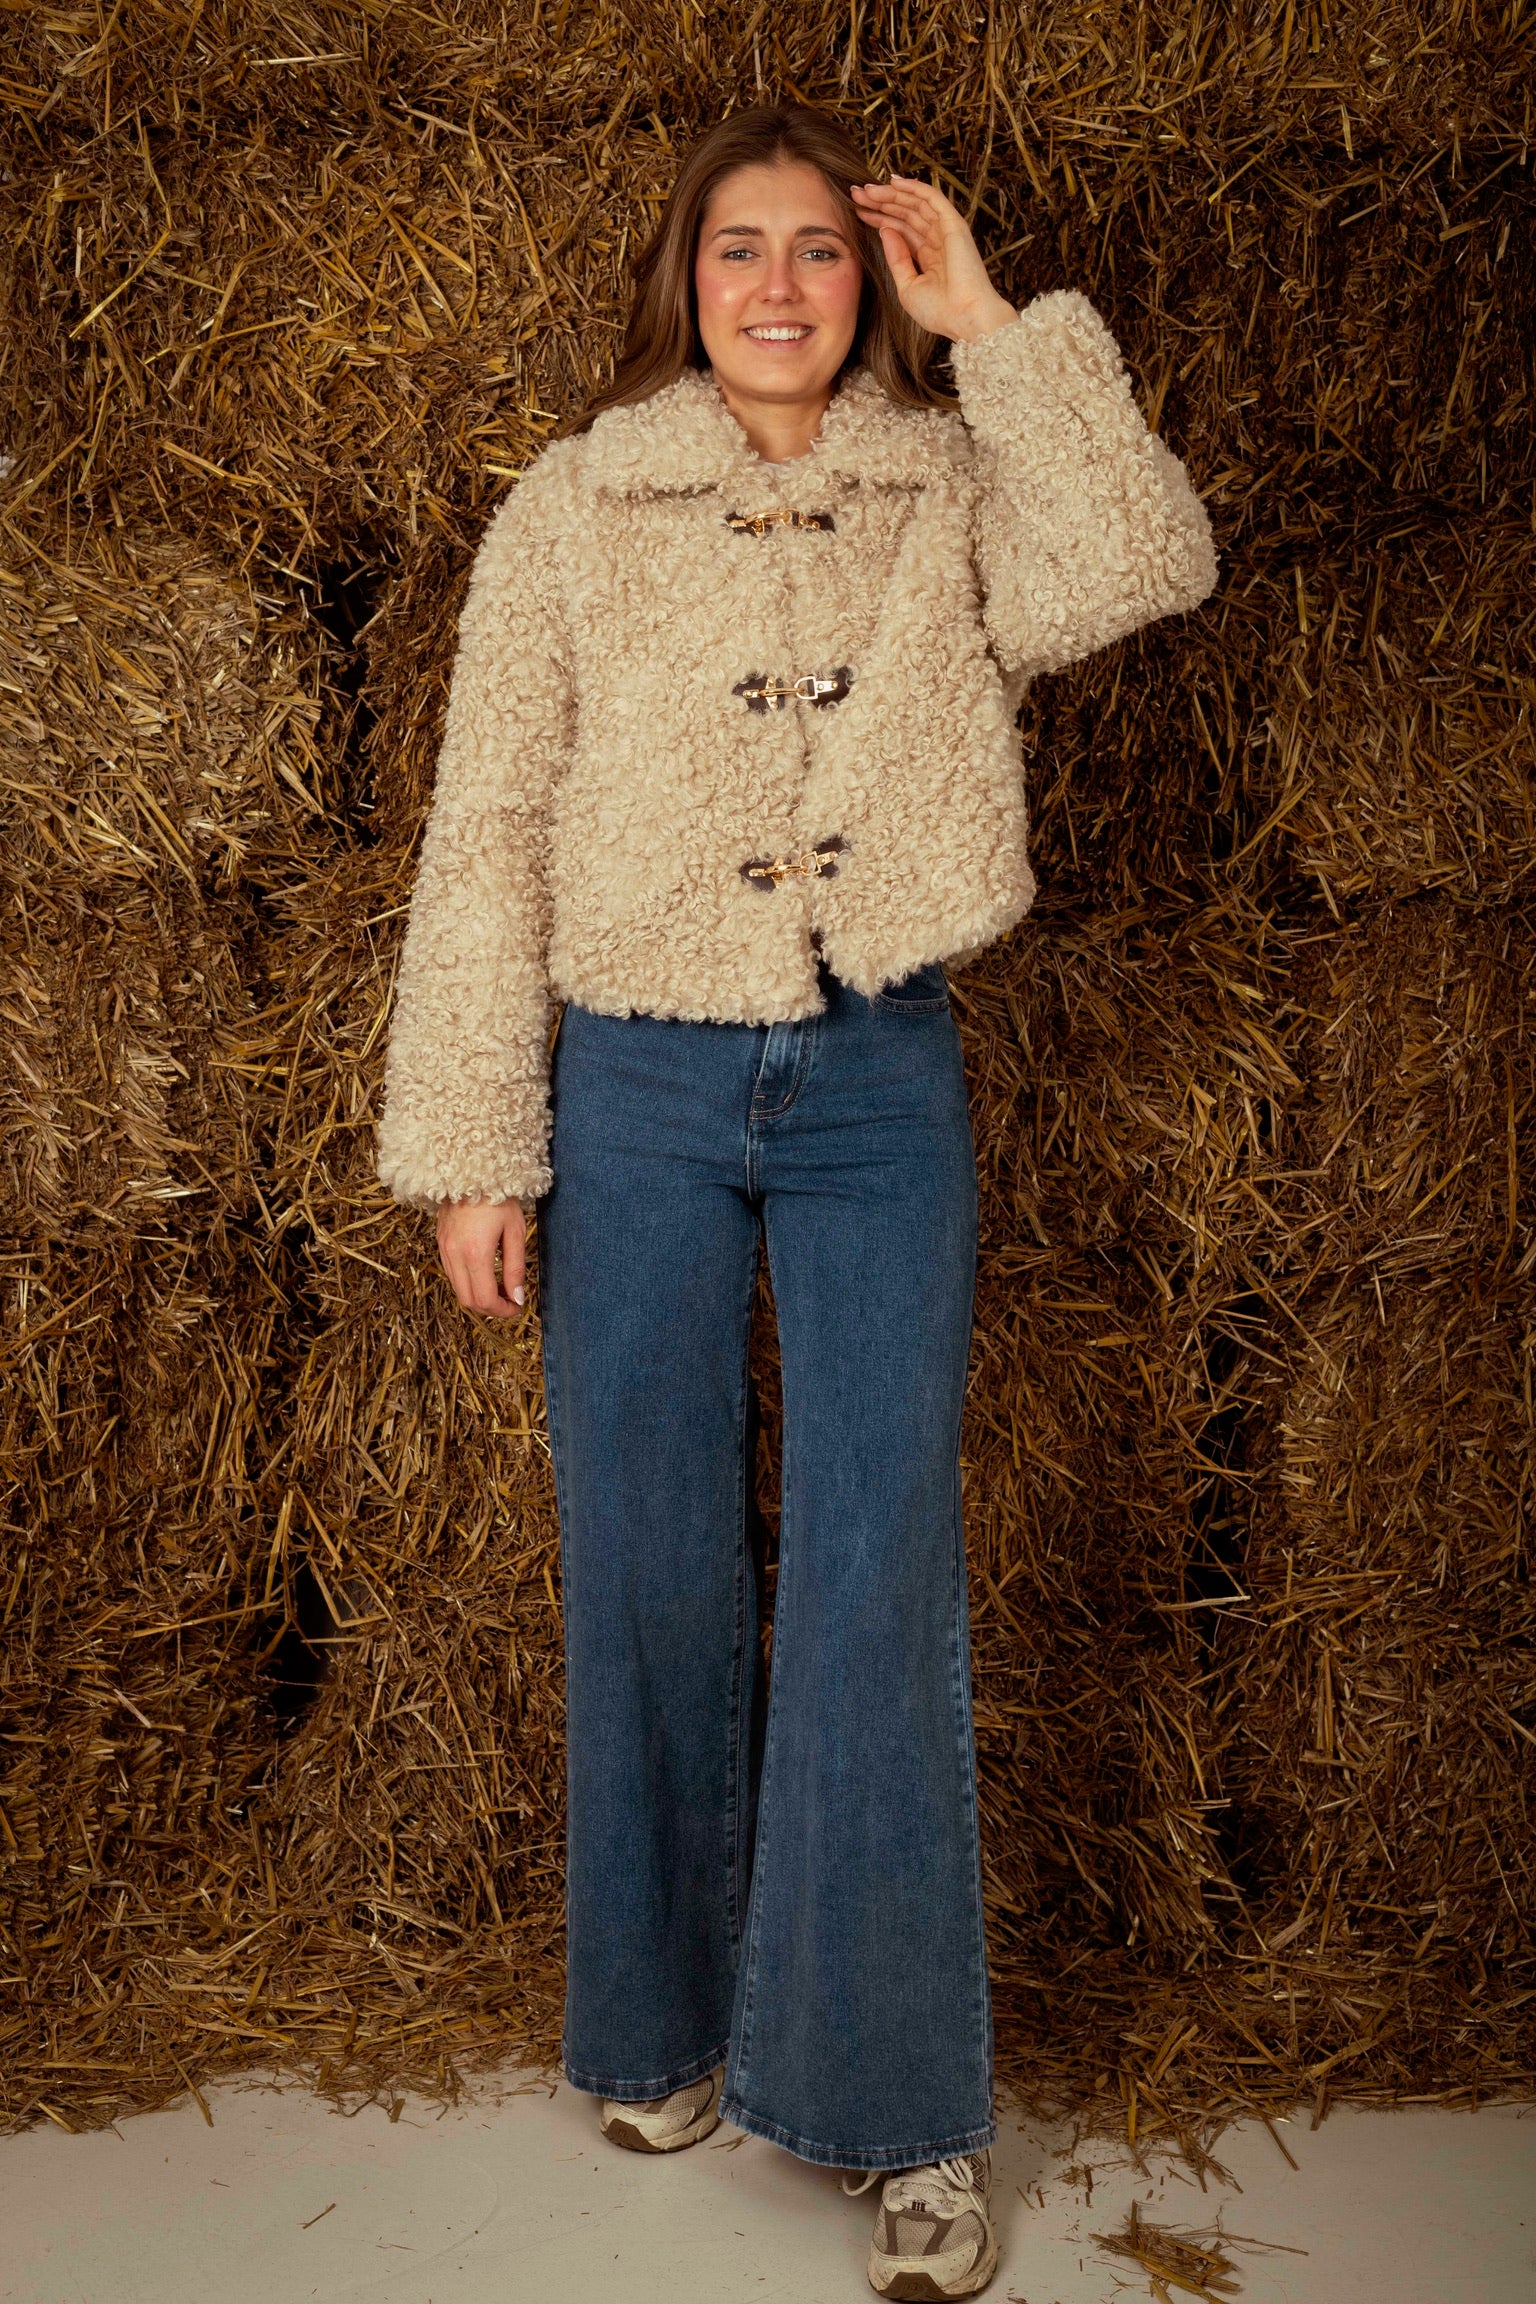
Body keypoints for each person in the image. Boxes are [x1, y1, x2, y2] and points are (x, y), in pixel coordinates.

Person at [378, 100, 1214, 2303]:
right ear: (686, 276)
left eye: (823, 250)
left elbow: (1145, 562)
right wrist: (473, 1142)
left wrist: (1000, 331)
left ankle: (898, 2107)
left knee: (874, 1570)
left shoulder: (951, 479)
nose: (778, 285)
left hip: (876, 1073)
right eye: (740, 247)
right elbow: (488, 821)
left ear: (872, 279)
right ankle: (657, 2031)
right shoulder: (573, 503)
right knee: (643, 1545)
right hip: (635, 1080)